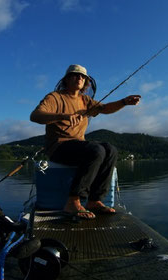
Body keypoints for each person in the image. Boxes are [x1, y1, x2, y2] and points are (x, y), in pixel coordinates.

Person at [30, 64, 141, 219]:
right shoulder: (55, 97)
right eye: (75, 75)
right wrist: (63, 116)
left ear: (86, 82)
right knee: (96, 150)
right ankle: (73, 201)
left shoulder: (85, 100)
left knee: (111, 150)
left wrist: (124, 102)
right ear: (67, 79)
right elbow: (35, 116)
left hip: (79, 146)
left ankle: (94, 200)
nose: (80, 78)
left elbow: (105, 108)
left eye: (83, 77)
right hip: (58, 147)